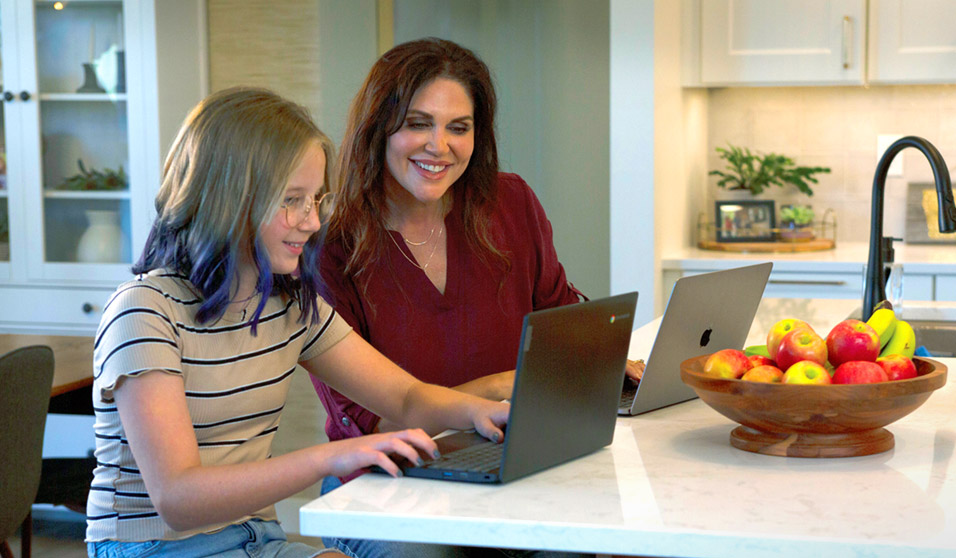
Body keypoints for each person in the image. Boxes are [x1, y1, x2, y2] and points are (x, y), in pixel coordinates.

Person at [85, 86, 509, 558]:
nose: (311, 222)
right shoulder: (145, 310)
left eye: (316, 199)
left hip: (256, 538)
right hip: (152, 549)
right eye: (292, 200)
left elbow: (405, 396)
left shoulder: (289, 305)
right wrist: (330, 456)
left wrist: (480, 411)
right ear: (229, 198)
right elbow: (179, 500)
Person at [311, 38, 641, 558]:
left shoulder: (510, 202)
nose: (438, 146)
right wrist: (495, 389)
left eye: (458, 127)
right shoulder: (328, 245)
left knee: (589, 539)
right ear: (379, 128)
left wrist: (603, 358)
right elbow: (375, 423)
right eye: (418, 123)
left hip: (508, 460)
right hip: (383, 484)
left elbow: (561, 319)